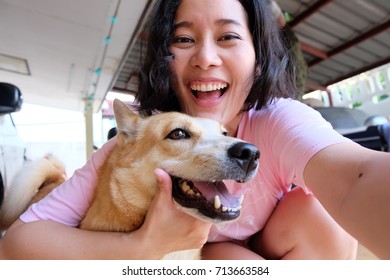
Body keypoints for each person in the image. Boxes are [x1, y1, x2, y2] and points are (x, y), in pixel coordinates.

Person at [1, 0, 389, 260]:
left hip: (268, 244)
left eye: (228, 37)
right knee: (221, 255)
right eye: (184, 39)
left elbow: (356, 177)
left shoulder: (278, 119)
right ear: (165, 60)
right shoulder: (139, 132)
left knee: (318, 214)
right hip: (208, 253)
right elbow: (16, 244)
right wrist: (140, 245)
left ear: (258, 57)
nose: (205, 57)